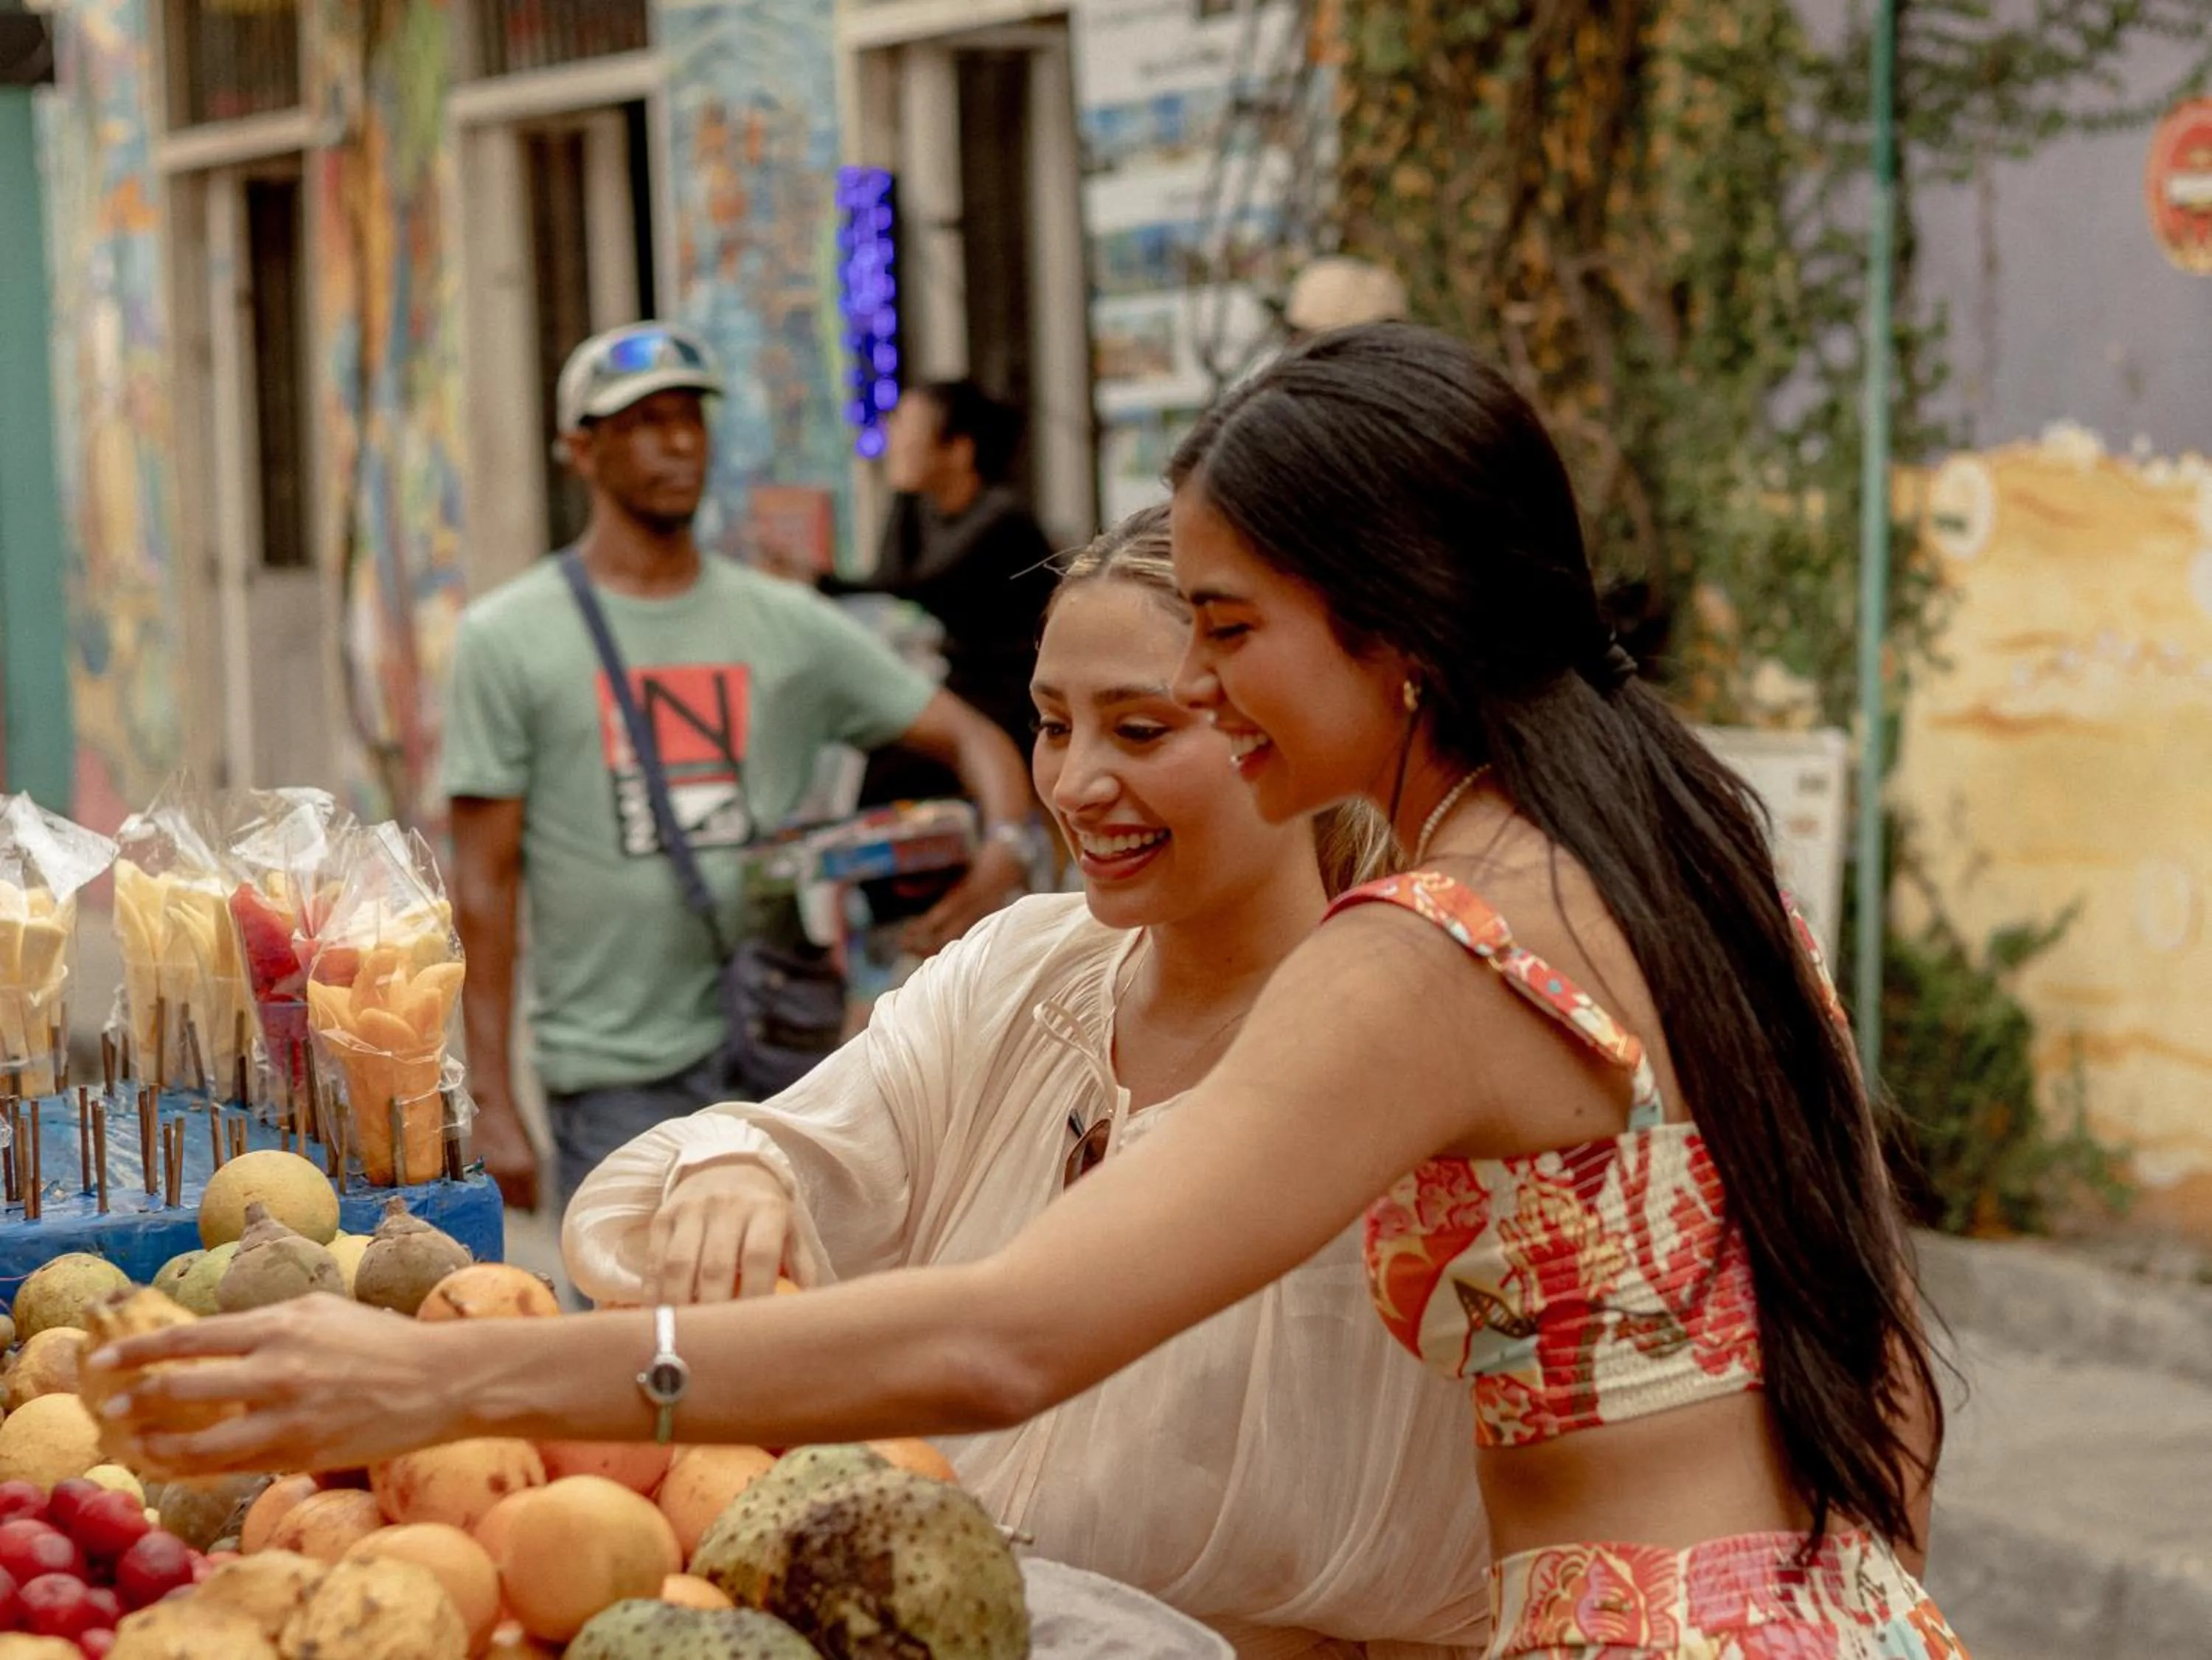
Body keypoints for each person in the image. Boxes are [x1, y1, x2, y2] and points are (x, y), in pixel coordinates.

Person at [97, 325, 1964, 1660]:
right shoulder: (1672, 844)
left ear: (1393, 625)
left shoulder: (1423, 952)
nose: (1205, 699)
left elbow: (1003, 1339)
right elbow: (1869, 1340)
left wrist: (437, 1376)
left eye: (1225, 638)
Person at [563, 506, 1490, 1657]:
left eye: (1141, 731)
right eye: (1053, 725)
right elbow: (756, 1159)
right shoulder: (1019, 969)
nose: (1077, 783)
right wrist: (737, 1167)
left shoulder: (1405, 1045)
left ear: (1297, 730)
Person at [439, 323, 1036, 1215]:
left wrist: (1007, 845)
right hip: (615, 1082)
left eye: (691, 418)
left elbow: (974, 737)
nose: (679, 442)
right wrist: (490, 1095)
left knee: (806, 1303)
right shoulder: (507, 638)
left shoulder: (784, 622)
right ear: (581, 451)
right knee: (647, 1309)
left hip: (788, 1064)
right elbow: (484, 885)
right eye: (644, 423)